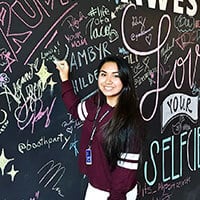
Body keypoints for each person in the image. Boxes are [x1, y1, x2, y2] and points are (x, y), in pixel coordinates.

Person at [55, 55, 145, 200]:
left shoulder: (130, 121)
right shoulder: (96, 102)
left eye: (115, 76)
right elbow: (75, 110)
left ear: (125, 80)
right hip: (95, 187)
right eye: (103, 74)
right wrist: (65, 79)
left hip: (114, 194)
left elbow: (124, 175)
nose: (108, 81)